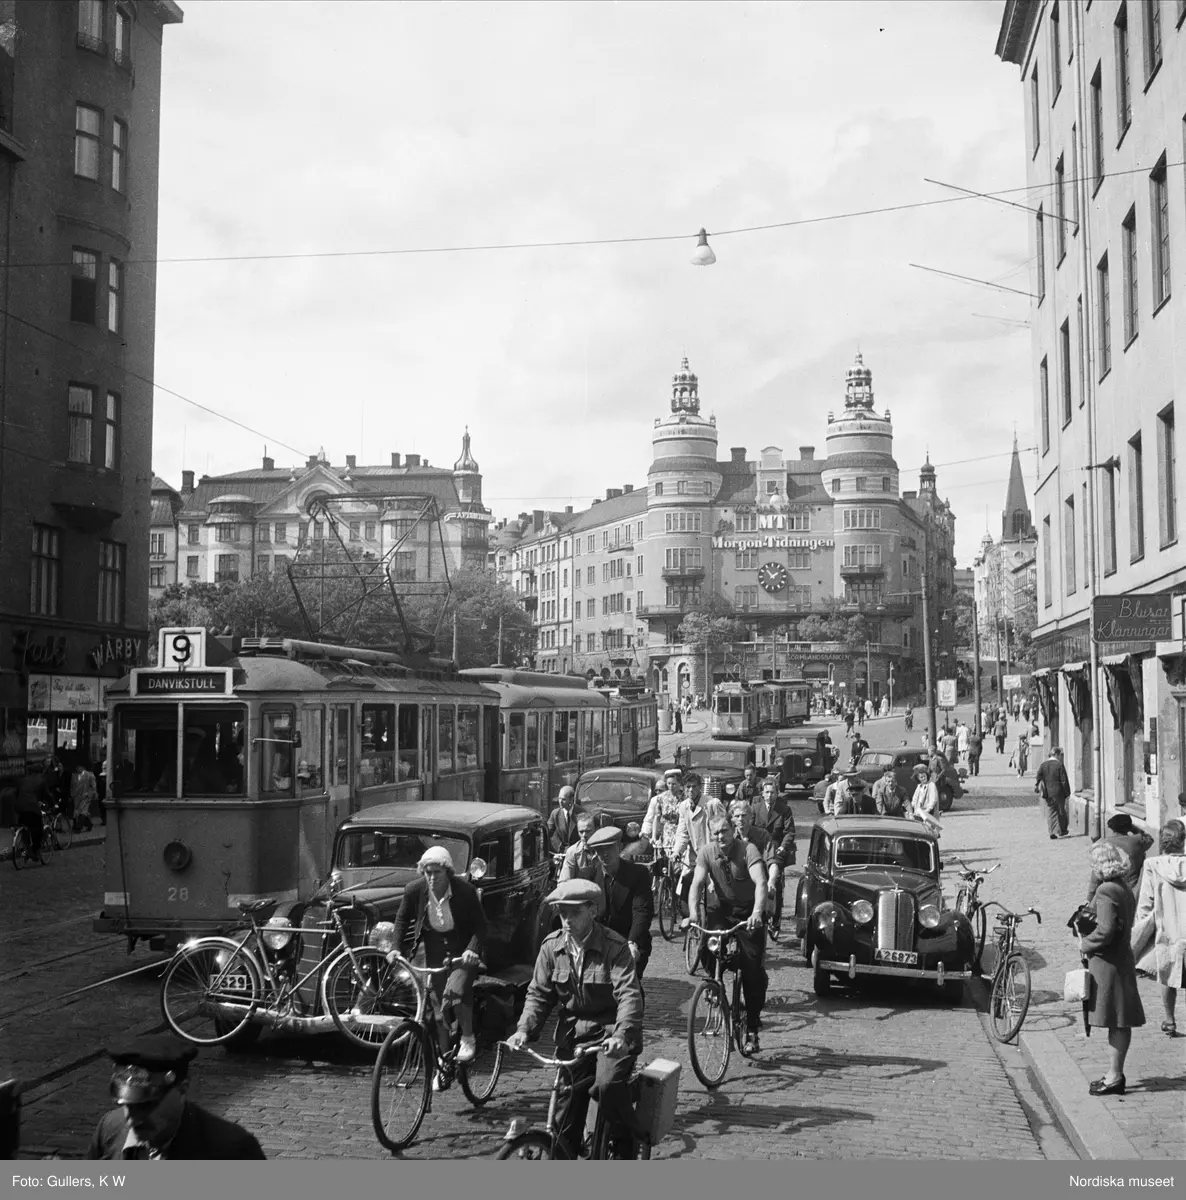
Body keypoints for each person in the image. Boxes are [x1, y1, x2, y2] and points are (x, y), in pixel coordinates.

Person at [504, 879, 643, 1158]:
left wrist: (620, 1036)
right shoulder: (551, 948)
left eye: (573, 912)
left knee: (606, 1086)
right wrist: (523, 1029)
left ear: (592, 911)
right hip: (573, 1035)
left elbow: (629, 995)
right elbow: (538, 995)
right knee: (565, 1114)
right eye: (562, 913)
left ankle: (626, 1143)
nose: (566, 920)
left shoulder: (614, 947)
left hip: (610, 1032)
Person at [87, 1034, 265, 1159]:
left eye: (145, 1106)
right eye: (127, 1105)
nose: (131, 1120)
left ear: (182, 1089)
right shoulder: (110, 1127)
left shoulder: (233, 1150)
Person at [392, 845, 485, 1069]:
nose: (432, 877)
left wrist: (472, 949)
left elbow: (481, 926)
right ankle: (444, 1063)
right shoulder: (414, 890)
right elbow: (402, 920)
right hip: (433, 954)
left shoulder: (465, 891)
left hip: (462, 953)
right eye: (427, 872)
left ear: (448, 872)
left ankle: (468, 1038)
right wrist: (395, 948)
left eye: (437, 872)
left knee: (456, 991)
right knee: (437, 1011)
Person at [688, 813, 768, 1054]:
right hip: (721, 909)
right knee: (706, 947)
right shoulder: (707, 852)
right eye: (715, 832)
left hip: (748, 912)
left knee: (753, 970)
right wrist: (693, 915)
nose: (720, 836)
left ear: (733, 829)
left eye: (724, 830)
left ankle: (752, 1027)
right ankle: (715, 989)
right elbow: (697, 883)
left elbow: (761, 882)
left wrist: (756, 913)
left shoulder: (748, 850)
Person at [1078, 842, 1145, 1095]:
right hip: (1121, 958)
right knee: (1119, 1019)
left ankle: (1115, 1076)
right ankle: (1113, 1074)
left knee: (1117, 1019)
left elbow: (1105, 929)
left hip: (1109, 962)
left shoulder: (1106, 891)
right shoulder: (1122, 887)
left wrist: (1085, 944)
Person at [1131, 820, 1186, 1037]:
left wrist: (1141, 930)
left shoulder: (1153, 865)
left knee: (1167, 975)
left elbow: (1146, 902)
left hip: (1168, 931)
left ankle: (1170, 1020)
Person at [587, 826, 653, 985]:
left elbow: (642, 911)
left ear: (619, 847)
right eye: (600, 850)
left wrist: (632, 942)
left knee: (630, 987)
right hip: (601, 944)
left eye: (609, 848)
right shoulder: (590, 876)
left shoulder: (638, 874)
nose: (605, 854)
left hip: (629, 940)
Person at [671, 773, 722, 907]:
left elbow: (724, 830)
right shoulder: (683, 806)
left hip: (713, 857)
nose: (691, 790)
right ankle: (691, 922)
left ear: (700, 787)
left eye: (694, 787)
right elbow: (682, 833)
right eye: (688, 787)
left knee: (714, 898)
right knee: (685, 895)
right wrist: (677, 851)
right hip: (694, 858)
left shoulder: (712, 804)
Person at [753, 777, 796, 933]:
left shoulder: (784, 810)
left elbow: (789, 832)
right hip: (758, 850)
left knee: (775, 884)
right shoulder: (755, 809)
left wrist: (783, 847)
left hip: (777, 850)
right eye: (767, 792)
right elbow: (749, 830)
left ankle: (775, 921)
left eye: (772, 792)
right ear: (762, 794)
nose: (769, 795)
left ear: (777, 793)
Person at [1087, 814, 1154, 900]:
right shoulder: (1137, 840)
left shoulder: (1102, 844)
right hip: (1133, 889)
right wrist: (1134, 829)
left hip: (1110, 890)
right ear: (1129, 827)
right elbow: (1150, 840)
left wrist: (1090, 897)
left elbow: (1096, 873)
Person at [12, 763, 49, 862]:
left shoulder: (23, 780)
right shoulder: (41, 780)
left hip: (20, 807)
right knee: (38, 830)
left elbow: (17, 793)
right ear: (39, 772)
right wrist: (53, 803)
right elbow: (47, 795)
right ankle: (33, 850)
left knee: (25, 826)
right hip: (32, 807)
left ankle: (26, 845)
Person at [558, 813, 606, 886]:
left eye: (588, 831)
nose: (584, 835)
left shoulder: (606, 849)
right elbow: (564, 882)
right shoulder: (572, 852)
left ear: (597, 829)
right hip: (581, 895)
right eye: (581, 832)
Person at [1034, 746, 1071, 839]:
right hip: (1059, 792)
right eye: (1060, 755)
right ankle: (1062, 830)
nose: (1061, 757)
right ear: (1057, 754)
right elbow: (1064, 781)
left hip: (1047, 792)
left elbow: (1038, 776)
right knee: (1061, 811)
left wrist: (1037, 785)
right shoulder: (1059, 765)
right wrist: (1067, 793)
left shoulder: (1043, 765)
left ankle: (1052, 832)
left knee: (1050, 812)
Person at [640, 777, 681, 856]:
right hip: (666, 834)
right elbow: (653, 818)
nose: (671, 786)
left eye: (674, 784)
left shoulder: (685, 797)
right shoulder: (660, 799)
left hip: (680, 833)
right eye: (669, 784)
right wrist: (653, 836)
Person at [546, 785, 585, 854]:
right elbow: (550, 833)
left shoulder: (581, 813)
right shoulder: (555, 814)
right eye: (559, 798)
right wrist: (560, 849)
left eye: (563, 799)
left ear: (571, 799)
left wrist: (575, 849)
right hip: (561, 853)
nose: (560, 802)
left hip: (578, 853)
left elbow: (586, 833)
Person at [908, 763, 940, 836]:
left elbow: (933, 800)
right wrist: (912, 805)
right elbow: (915, 798)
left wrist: (927, 810)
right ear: (918, 778)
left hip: (928, 814)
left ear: (927, 775)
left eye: (924, 776)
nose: (923, 778)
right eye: (921, 777)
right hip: (918, 813)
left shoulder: (931, 785)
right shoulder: (919, 786)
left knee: (929, 832)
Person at [70, 758, 98, 833]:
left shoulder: (89, 775)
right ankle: (89, 824)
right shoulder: (74, 776)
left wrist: (89, 794)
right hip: (77, 797)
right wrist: (72, 794)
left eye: (78, 767)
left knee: (83, 812)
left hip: (85, 797)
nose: (77, 769)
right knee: (78, 812)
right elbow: (72, 786)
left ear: (82, 767)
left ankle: (78, 827)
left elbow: (93, 786)